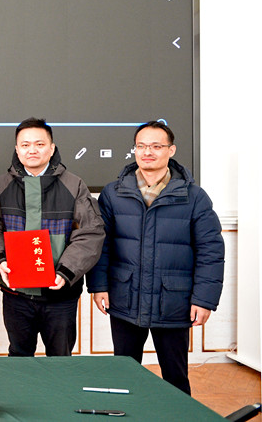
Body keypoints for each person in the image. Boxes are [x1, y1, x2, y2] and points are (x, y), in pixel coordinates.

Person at [87, 121, 224, 394]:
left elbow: (210, 250)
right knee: (123, 375)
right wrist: (99, 286)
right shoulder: (113, 193)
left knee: (175, 377)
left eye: (156, 146)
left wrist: (204, 299)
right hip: (125, 297)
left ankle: (179, 414)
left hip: (173, 301)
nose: (147, 152)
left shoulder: (194, 197)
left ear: (171, 150)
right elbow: (101, 244)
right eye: (141, 146)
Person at [0, 117, 104, 357]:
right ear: (17, 149)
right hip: (16, 294)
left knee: (60, 359)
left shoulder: (74, 184)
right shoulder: (0, 185)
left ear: (51, 148)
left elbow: (90, 234)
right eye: (25, 145)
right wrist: (1, 260)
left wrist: (65, 272)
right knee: (19, 356)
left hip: (60, 294)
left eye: (39, 144)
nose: (32, 150)